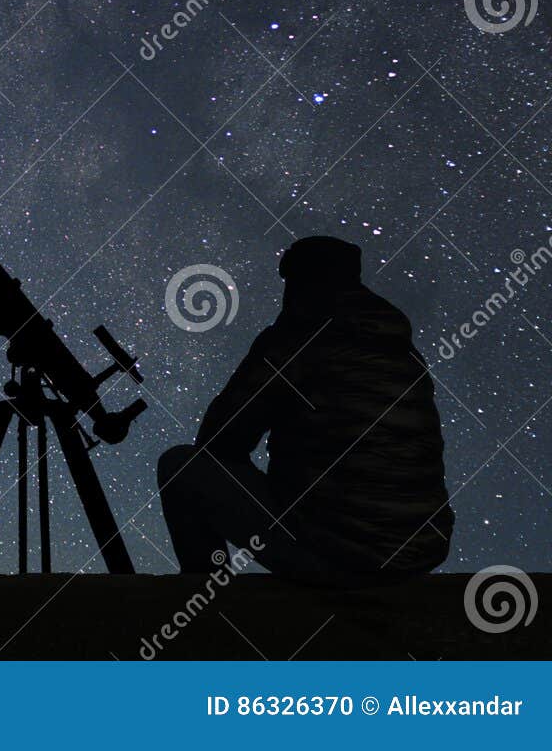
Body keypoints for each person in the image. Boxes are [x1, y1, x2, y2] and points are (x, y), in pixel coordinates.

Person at [158, 236, 453, 585]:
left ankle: (201, 600)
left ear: (299, 280)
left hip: (339, 555)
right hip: (420, 550)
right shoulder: (402, 350)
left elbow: (220, 440)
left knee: (183, 468)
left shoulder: (296, 338)